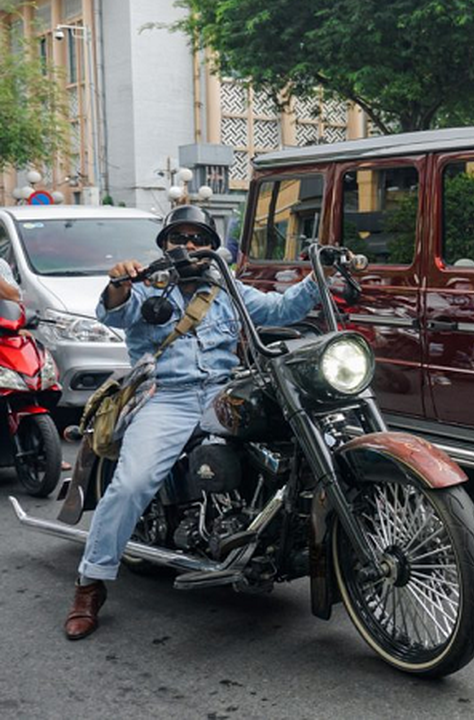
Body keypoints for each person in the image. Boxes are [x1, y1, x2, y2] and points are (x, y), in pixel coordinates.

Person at [63, 204, 321, 641]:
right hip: (168, 396)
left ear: (211, 249)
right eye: (178, 238)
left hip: (225, 391)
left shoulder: (228, 287)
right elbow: (113, 311)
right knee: (130, 484)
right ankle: (91, 583)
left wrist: (320, 275)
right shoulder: (147, 287)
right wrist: (118, 283)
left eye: (198, 239)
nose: (188, 246)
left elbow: (278, 309)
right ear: (164, 246)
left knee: (300, 439)